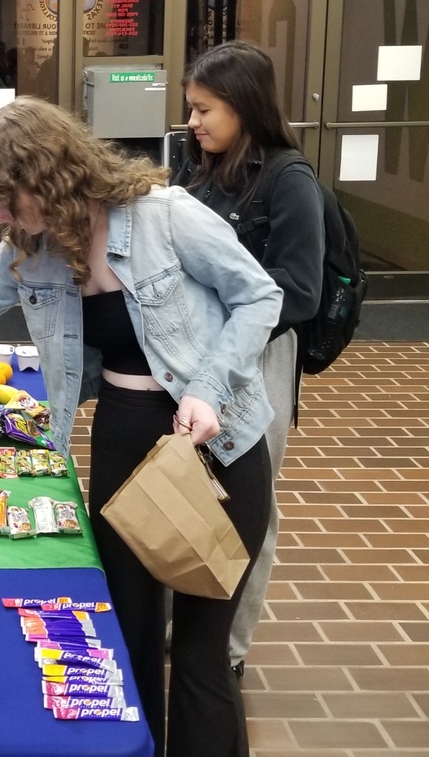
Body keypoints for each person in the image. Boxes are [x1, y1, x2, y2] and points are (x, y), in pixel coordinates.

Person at [0, 97, 283, 757]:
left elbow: (260, 296)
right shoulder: (30, 248)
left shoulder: (164, 217)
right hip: (126, 439)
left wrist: (207, 387)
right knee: (130, 631)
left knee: (201, 656)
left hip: (219, 444)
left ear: (48, 178)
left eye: (5, 198)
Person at [176, 40, 324, 679]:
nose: (194, 122)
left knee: (248, 502)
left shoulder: (288, 178)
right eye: (191, 108)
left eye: (206, 109)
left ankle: (228, 648)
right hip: (195, 357)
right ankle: (186, 626)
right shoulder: (200, 169)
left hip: (257, 357)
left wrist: (228, 310)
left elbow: (300, 288)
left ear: (244, 106)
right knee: (191, 493)